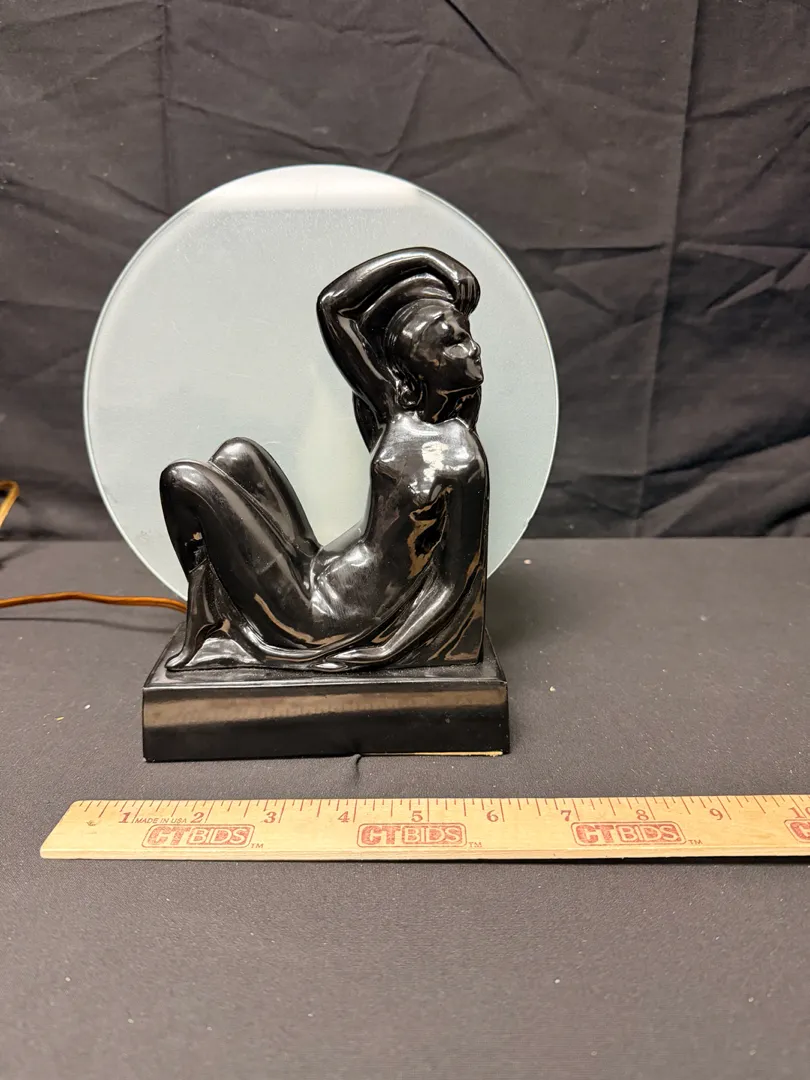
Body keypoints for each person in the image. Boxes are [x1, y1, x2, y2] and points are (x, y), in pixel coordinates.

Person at [160, 247, 489, 672]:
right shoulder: (394, 411)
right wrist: (431, 261)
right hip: (319, 569)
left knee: (182, 479)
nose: (473, 348)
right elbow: (334, 307)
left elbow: (454, 582)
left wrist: (384, 650)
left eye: (465, 336)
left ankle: (224, 625)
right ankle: (222, 618)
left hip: (323, 618)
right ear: (418, 367)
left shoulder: (463, 459)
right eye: (454, 341)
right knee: (237, 455)